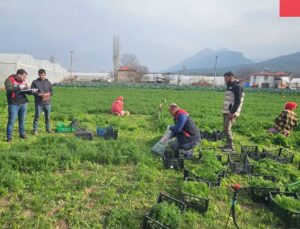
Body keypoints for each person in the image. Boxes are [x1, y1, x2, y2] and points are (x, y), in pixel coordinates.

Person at [5, 69, 37, 143]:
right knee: (11, 121)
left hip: (23, 103)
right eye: (23, 76)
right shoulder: (9, 80)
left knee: (22, 120)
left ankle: (22, 134)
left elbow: (26, 91)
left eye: (25, 77)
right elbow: (9, 90)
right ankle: (9, 137)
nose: (25, 78)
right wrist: (19, 87)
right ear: (19, 74)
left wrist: (32, 91)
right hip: (14, 104)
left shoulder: (23, 81)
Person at [221, 71, 245, 152]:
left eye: (226, 78)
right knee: (225, 128)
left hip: (231, 112)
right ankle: (227, 145)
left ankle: (231, 147)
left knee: (227, 128)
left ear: (231, 77)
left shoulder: (237, 87)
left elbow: (238, 101)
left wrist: (232, 112)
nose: (225, 80)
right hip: (227, 111)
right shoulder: (230, 86)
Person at [31, 69, 54, 135]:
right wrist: (39, 94)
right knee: (37, 116)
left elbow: (52, 91)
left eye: (42, 75)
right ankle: (35, 130)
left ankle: (48, 129)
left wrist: (48, 94)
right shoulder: (35, 82)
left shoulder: (48, 82)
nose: (41, 76)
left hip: (47, 103)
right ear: (38, 74)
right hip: (39, 103)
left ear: (45, 74)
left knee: (48, 117)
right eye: (40, 75)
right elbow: (32, 91)